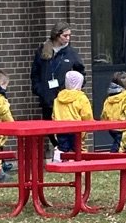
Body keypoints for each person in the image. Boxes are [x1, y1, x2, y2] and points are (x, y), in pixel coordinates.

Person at [30, 22, 85, 152]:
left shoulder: (71, 53)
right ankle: (58, 149)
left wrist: (76, 88)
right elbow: (35, 73)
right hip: (48, 97)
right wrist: (39, 90)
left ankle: (66, 151)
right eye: (65, 36)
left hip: (65, 98)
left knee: (65, 128)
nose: (68, 38)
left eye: (69, 35)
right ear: (56, 35)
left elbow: (81, 72)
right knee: (49, 126)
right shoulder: (43, 50)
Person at [52, 71, 93, 153]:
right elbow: (87, 115)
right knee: (78, 152)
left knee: (63, 151)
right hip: (77, 130)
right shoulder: (81, 98)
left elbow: (54, 115)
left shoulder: (58, 99)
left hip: (61, 130)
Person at [100, 72, 126, 153]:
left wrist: (104, 121)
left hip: (111, 126)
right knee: (119, 146)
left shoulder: (109, 99)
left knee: (124, 142)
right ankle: (114, 156)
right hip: (123, 127)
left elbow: (104, 112)